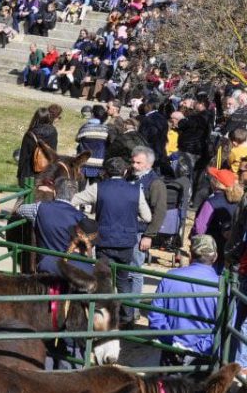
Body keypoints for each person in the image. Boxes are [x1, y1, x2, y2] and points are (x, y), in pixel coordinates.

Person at [71, 157, 152, 298]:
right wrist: (132, 217)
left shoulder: (98, 188)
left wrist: (82, 217)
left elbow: (73, 200)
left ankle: (102, 312)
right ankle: (126, 315)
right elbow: (147, 217)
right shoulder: (135, 190)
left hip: (105, 241)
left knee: (103, 280)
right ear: (125, 171)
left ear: (105, 172)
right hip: (126, 242)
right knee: (123, 280)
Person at [146, 235, 221, 366]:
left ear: (191, 254)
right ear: (215, 257)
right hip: (203, 359)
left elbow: (155, 316)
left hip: (171, 353)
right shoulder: (221, 286)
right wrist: (197, 349)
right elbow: (225, 326)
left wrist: (172, 342)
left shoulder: (171, 277)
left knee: (166, 386)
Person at [129, 146, 168, 300]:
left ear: (149, 164)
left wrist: (149, 235)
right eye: (133, 162)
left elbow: (159, 212)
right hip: (125, 229)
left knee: (134, 270)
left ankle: (133, 306)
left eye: (139, 163)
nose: (134, 166)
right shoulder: (130, 177)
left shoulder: (155, 183)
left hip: (140, 232)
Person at [16, 107, 58, 185]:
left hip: (28, 173)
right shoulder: (53, 132)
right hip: (45, 173)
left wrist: (19, 175)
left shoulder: (30, 133)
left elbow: (23, 157)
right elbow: (53, 152)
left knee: (27, 196)